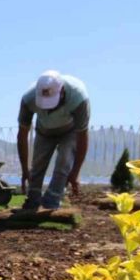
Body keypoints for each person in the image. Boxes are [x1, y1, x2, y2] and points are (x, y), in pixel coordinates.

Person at [17, 70, 90, 210]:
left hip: (70, 131)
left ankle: (52, 200)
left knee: (64, 160)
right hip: (44, 131)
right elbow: (22, 135)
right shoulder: (28, 99)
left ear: (62, 91)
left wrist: (75, 172)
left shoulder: (79, 97)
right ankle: (33, 199)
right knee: (37, 164)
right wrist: (25, 169)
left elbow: (82, 136)